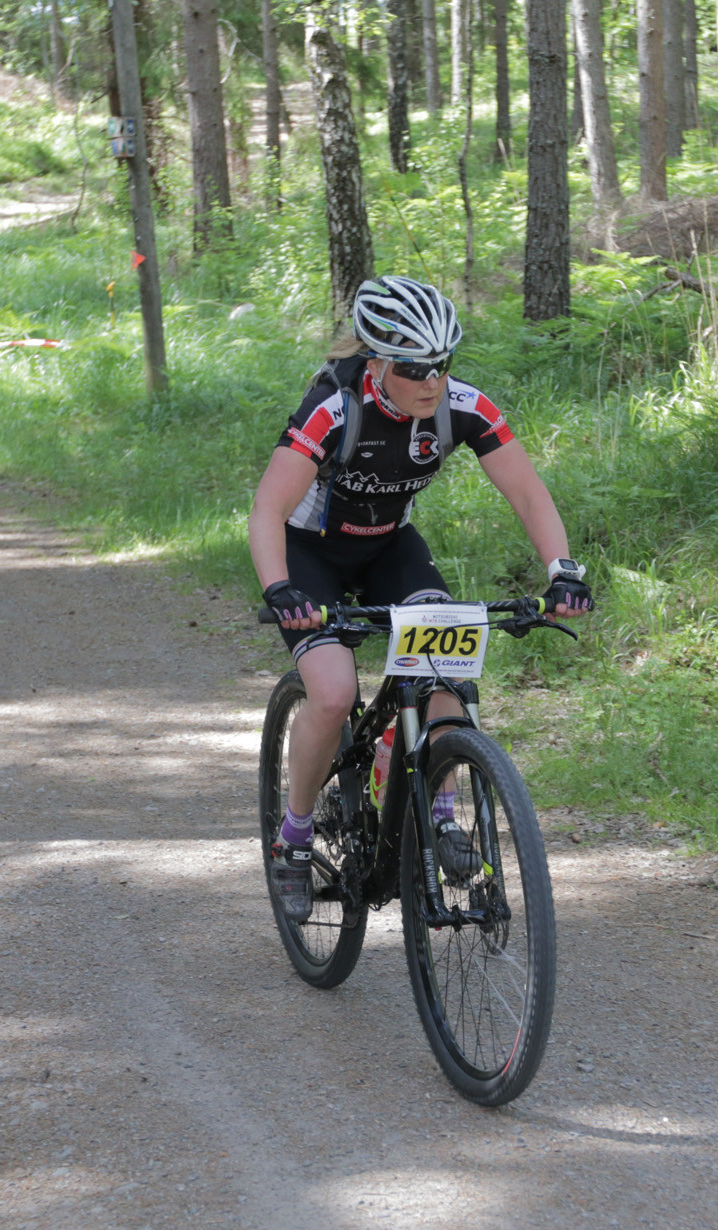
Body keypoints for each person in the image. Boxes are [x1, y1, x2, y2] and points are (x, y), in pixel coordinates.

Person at [248, 276, 593, 922]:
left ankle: (439, 811)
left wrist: (562, 571)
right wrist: (279, 588)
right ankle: (293, 836)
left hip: (389, 546)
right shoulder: (335, 406)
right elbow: (268, 509)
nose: (432, 382)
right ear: (377, 362)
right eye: (413, 369)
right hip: (309, 553)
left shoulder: (463, 406)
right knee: (333, 692)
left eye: (442, 364)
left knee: (448, 670)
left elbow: (526, 491)